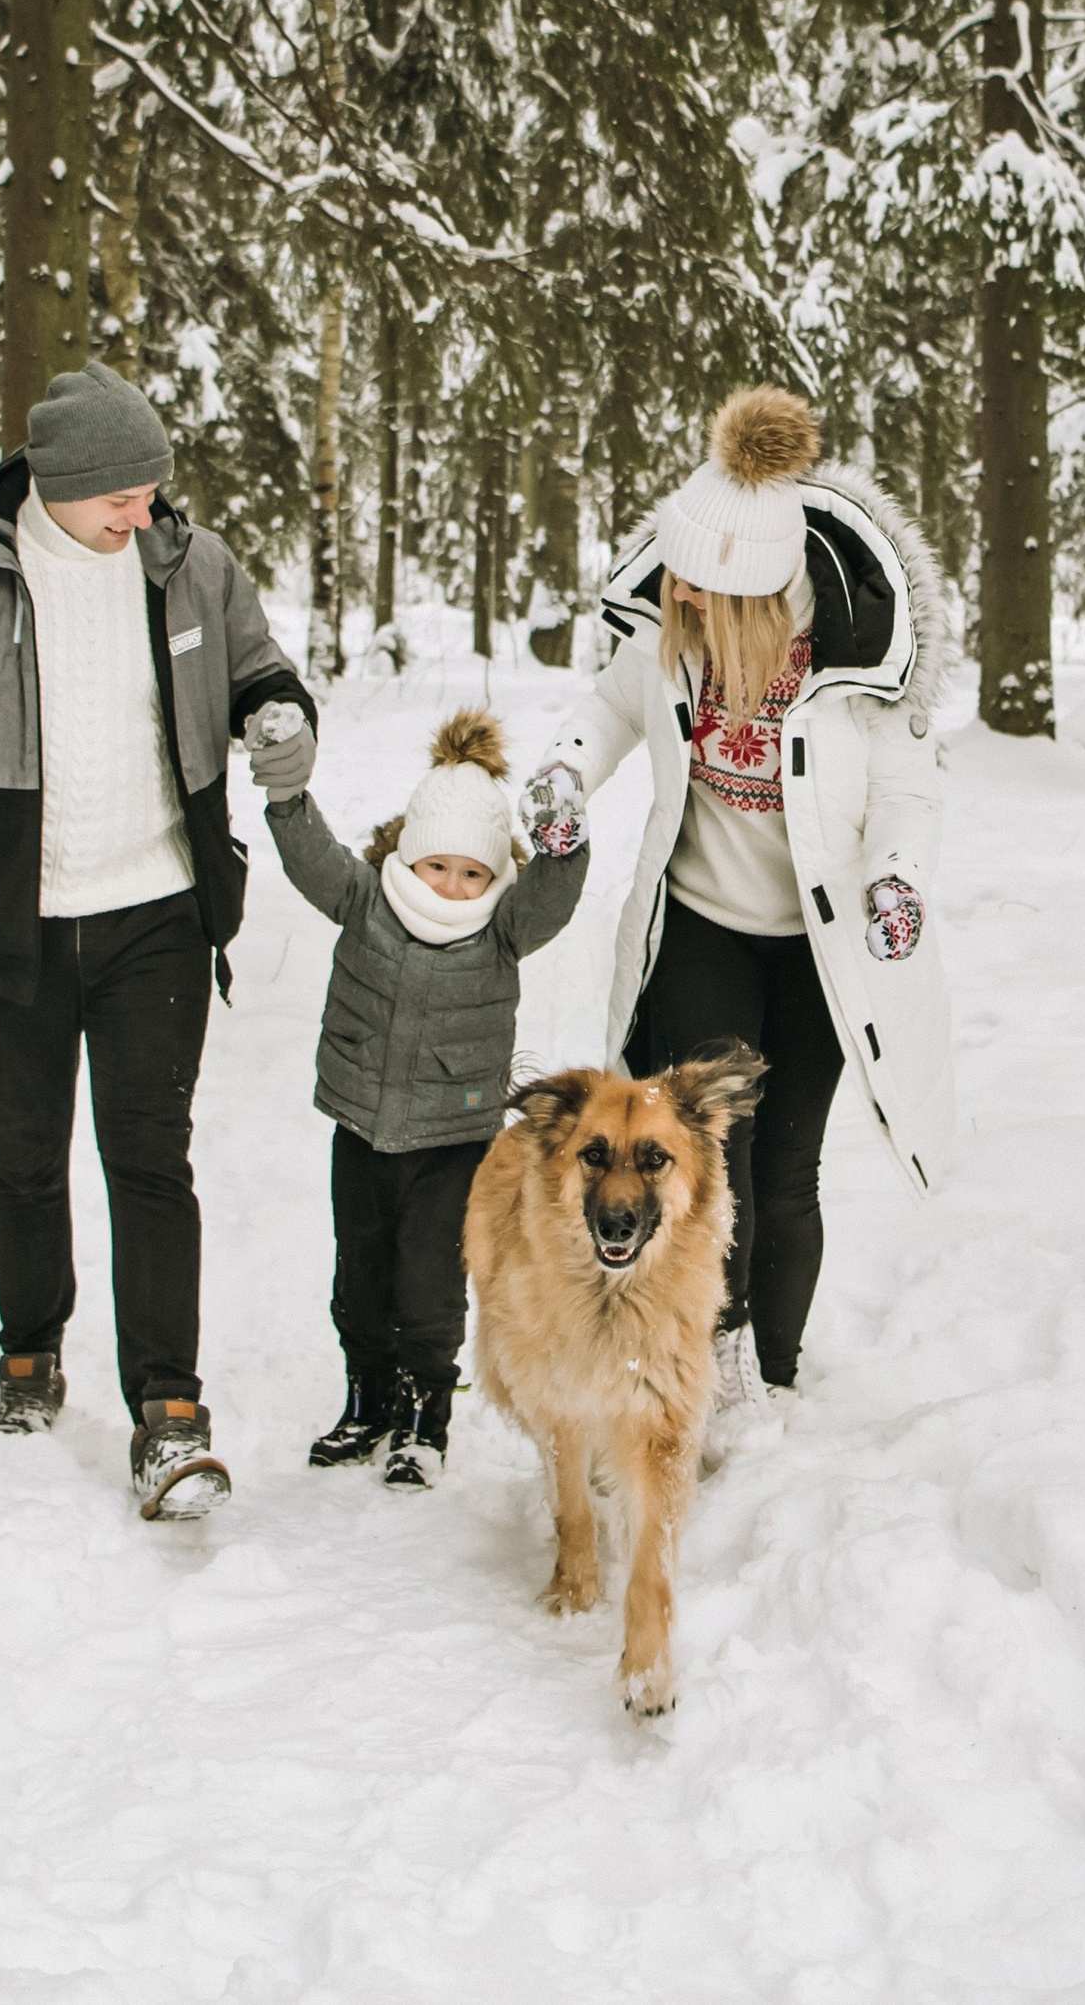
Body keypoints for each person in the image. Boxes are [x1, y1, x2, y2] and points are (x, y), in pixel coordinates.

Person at [0, 356, 316, 1517]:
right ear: (56, 483)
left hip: (155, 906)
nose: (142, 512)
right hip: (13, 923)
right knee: (26, 1150)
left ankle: (168, 1413)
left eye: (151, 490)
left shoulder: (190, 565)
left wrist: (280, 716)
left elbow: (259, 668)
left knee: (150, 1156)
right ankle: (29, 1356)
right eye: (121, 496)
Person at [527, 386, 951, 1434]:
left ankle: (777, 1362)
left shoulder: (851, 659)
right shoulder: (673, 632)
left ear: (752, 594)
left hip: (815, 947)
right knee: (718, 1160)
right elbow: (608, 709)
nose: (675, 593)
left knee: (790, 1164)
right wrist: (565, 775)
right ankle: (713, 1363)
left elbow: (910, 788)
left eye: (697, 585)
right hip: (703, 926)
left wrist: (894, 873)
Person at [260, 707, 587, 1487]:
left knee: (428, 1285)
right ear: (408, 852)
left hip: (451, 1142)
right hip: (361, 1129)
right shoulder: (368, 897)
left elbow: (553, 895)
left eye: (472, 872)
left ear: (494, 874)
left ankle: (422, 1416)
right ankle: (366, 1401)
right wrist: (287, 799)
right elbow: (312, 861)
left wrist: (564, 842)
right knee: (360, 1277)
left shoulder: (503, 925)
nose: (452, 883)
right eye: (439, 865)